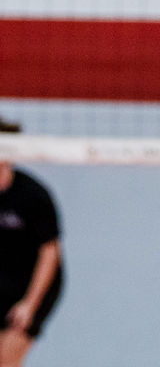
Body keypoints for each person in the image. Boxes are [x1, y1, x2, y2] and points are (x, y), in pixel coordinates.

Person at [0, 120, 63, 367]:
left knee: (6, 360)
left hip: (31, 285)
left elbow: (50, 252)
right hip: (2, 282)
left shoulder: (33, 195)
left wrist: (30, 304)